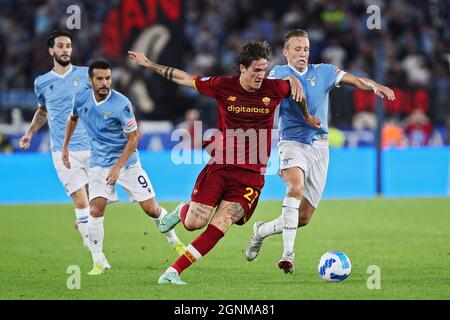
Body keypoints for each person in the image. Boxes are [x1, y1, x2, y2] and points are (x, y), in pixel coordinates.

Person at [128, 40, 320, 285]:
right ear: (242, 68)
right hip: (221, 167)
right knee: (193, 224)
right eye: (256, 71)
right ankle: (181, 211)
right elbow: (185, 79)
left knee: (223, 222)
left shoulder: (275, 88)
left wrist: (306, 115)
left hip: (251, 177)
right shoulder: (222, 86)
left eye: (264, 70)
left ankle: (172, 272)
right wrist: (149, 64)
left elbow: (298, 93)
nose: (261, 76)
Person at [244, 29, 395, 274]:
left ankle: (261, 231)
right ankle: (288, 254)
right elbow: (265, 95)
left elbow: (355, 80)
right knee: (295, 187)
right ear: (286, 52)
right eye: (297, 48)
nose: (302, 53)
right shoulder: (279, 73)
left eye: (305, 48)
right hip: (292, 142)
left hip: (320, 148)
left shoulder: (323, 71)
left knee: (303, 218)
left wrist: (374, 85)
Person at [62, 60, 185, 275]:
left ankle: (174, 241)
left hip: (127, 164)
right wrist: (65, 147)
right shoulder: (81, 98)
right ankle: (98, 261)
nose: (104, 83)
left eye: (108, 78)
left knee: (152, 209)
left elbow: (133, 138)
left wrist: (118, 168)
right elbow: (72, 118)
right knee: (96, 209)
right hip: (99, 164)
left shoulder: (121, 104)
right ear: (90, 80)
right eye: (99, 78)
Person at [19, 30, 92, 250]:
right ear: (51, 51)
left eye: (68, 45)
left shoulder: (86, 75)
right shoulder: (41, 82)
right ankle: (94, 251)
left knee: (96, 202)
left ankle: (84, 224)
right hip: (62, 150)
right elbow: (42, 111)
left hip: (91, 147)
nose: (65, 50)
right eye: (60, 46)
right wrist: (30, 133)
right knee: (80, 200)